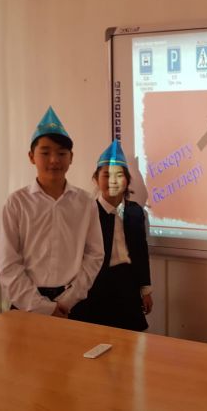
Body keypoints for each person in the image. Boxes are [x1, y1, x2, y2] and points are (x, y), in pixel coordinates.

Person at [0, 106, 104, 317]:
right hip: (26, 305)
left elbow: (95, 255)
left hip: (73, 305)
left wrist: (67, 300)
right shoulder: (17, 203)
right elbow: (7, 265)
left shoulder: (85, 203)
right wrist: (43, 307)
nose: (54, 160)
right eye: (45, 153)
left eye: (61, 153)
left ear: (71, 157)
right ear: (31, 157)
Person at [70, 140, 153, 331]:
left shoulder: (135, 212)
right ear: (96, 179)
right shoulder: (86, 212)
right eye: (106, 175)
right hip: (94, 288)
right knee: (94, 338)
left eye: (119, 175)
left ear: (127, 181)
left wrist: (146, 290)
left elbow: (141, 252)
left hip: (127, 286)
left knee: (130, 341)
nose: (112, 181)